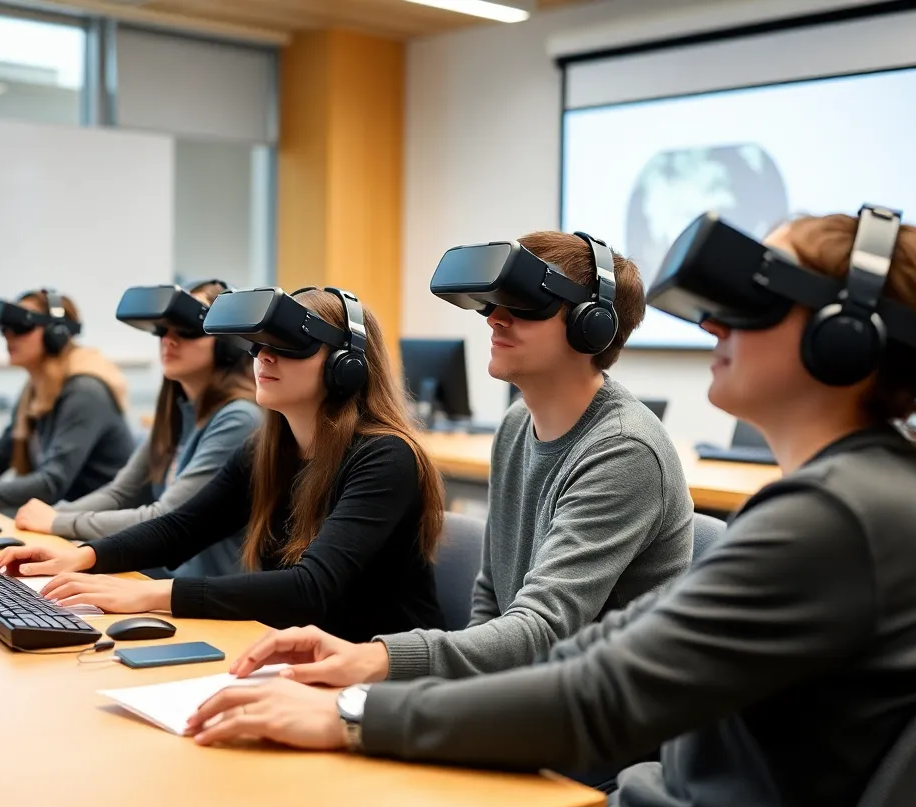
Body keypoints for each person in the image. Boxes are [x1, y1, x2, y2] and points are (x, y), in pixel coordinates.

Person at [186, 209, 916, 807]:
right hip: (665, 796)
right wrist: (377, 676)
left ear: (848, 339)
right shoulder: (871, 495)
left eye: (755, 301)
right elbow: (603, 654)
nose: (712, 323)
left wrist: (354, 708)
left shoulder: (837, 518)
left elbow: (601, 692)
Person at [242, 231, 691, 688]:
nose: (494, 318)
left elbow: (542, 627)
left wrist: (376, 659)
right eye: (493, 303)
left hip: (599, 718)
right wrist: (456, 694)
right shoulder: (517, 426)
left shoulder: (623, 451)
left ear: (590, 324)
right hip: (530, 694)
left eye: (522, 306)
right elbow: (492, 594)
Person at [0, 287, 447, 642]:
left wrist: (151, 595)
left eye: (288, 346)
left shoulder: (385, 457)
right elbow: (181, 528)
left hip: (375, 677)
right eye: (260, 344)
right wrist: (81, 557)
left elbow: (311, 589)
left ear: (346, 365)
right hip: (290, 656)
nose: (264, 356)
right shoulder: (266, 449)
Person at [13, 281, 261, 580]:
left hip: (205, 594)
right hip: (157, 579)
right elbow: (121, 494)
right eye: (162, 330)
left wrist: (58, 523)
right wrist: (54, 515)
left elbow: (166, 516)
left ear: (227, 344)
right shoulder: (178, 411)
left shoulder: (239, 419)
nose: (168, 340)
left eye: (186, 330)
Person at [0, 290, 135, 510]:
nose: (8, 336)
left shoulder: (84, 392)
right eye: (5, 329)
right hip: (63, 513)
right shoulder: (34, 391)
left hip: (98, 524)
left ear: (55, 334)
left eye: (20, 327)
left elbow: (51, 483)